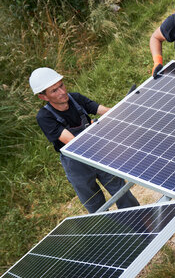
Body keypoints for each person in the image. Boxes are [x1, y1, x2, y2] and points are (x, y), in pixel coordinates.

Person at [31, 67, 140, 213]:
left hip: (100, 153)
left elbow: (104, 111)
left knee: (122, 192)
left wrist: (125, 108)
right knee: (95, 205)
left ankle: (140, 224)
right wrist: (97, 128)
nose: (62, 92)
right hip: (77, 165)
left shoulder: (75, 98)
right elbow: (73, 142)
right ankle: (111, 233)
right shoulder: (45, 117)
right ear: (43, 97)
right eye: (54, 91)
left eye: (61, 85)